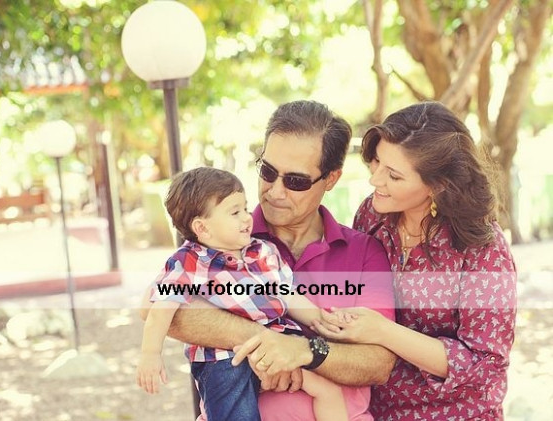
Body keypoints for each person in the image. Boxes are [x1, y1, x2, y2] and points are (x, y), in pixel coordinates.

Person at [143, 100, 397, 420]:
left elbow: (377, 364)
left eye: (296, 181)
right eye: (268, 171)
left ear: (331, 179)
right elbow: (156, 309)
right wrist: (268, 343)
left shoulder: (363, 252)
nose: (275, 192)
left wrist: (304, 352)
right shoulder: (219, 241)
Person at [311, 101, 517, 420]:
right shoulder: (372, 215)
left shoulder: (482, 247)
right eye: (377, 162)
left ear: (438, 185)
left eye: (393, 175)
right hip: (375, 411)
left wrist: (383, 332)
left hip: (455, 413)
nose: (375, 180)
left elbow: (485, 364)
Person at [137, 166, 351, 421]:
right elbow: (160, 309)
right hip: (224, 359)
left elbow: (287, 294)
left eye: (245, 208)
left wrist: (321, 319)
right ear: (202, 228)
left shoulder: (262, 251)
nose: (247, 218)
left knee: (328, 390)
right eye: (235, 212)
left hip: (277, 345)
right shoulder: (189, 261)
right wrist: (150, 354)